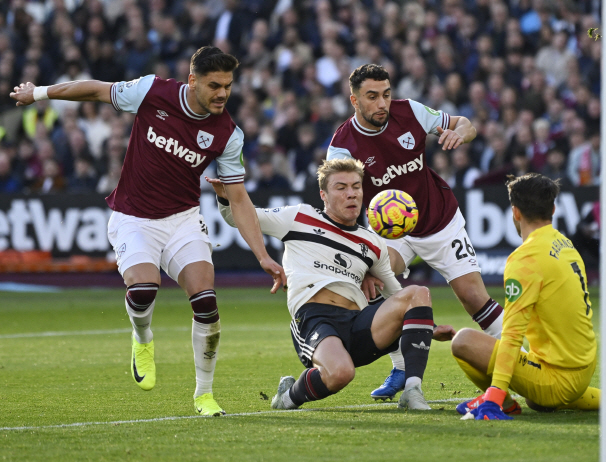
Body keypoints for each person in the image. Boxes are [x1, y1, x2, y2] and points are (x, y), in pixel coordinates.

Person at [10, 46, 287, 416]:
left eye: (228, 85)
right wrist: (39, 93)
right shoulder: (152, 92)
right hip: (133, 218)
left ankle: (203, 395)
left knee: (206, 303)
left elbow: (238, 198)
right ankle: (142, 338)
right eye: (214, 85)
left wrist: (263, 255)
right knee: (143, 291)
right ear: (192, 81)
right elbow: (96, 89)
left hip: (183, 220)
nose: (223, 93)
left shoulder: (227, 134)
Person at [209, 158, 455, 410]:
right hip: (315, 319)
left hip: (359, 323)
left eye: (356, 187)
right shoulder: (298, 217)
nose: (351, 194)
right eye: (341, 187)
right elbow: (239, 217)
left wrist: (430, 327)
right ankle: (288, 396)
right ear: (323, 194)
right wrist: (227, 197)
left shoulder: (372, 242)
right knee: (340, 374)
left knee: (418, 291)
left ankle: (412, 390)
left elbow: (395, 292)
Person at [327, 63, 505, 400]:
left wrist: (458, 133)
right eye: (372, 97)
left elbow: (466, 125)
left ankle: (519, 352)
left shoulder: (410, 112)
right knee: (375, 282)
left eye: (386, 94)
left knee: (473, 298)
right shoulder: (342, 146)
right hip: (392, 231)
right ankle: (400, 367)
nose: (382, 103)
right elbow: (338, 197)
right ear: (354, 100)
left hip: (440, 219)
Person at [450, 173, 606, 420]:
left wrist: (495, 394)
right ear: (552, 208)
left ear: (515, 213)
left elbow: (512, 334)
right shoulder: (565, 244)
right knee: (538, 402)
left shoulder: (525, 259)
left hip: (556, 379)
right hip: (583, 366)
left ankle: (503, 403)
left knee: (462, 341)